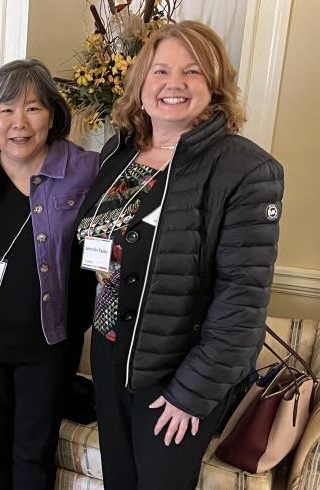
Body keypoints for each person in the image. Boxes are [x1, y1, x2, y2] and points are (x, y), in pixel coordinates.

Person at [73, 20, 284, 489]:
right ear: (141, 84)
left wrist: (191, 394)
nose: (174, 84)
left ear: (215, 86)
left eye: (192, 72)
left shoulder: (246, 170)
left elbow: (243, 302)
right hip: (111, 358)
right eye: (160, 71)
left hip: (175, 375)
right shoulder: (119, 152)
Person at [0, 59, 97, 489]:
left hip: (47, 343)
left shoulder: (83, 169)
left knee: (33, 455)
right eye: (6, 109)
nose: (19, 123)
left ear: (52, 115)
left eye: (33, 108)